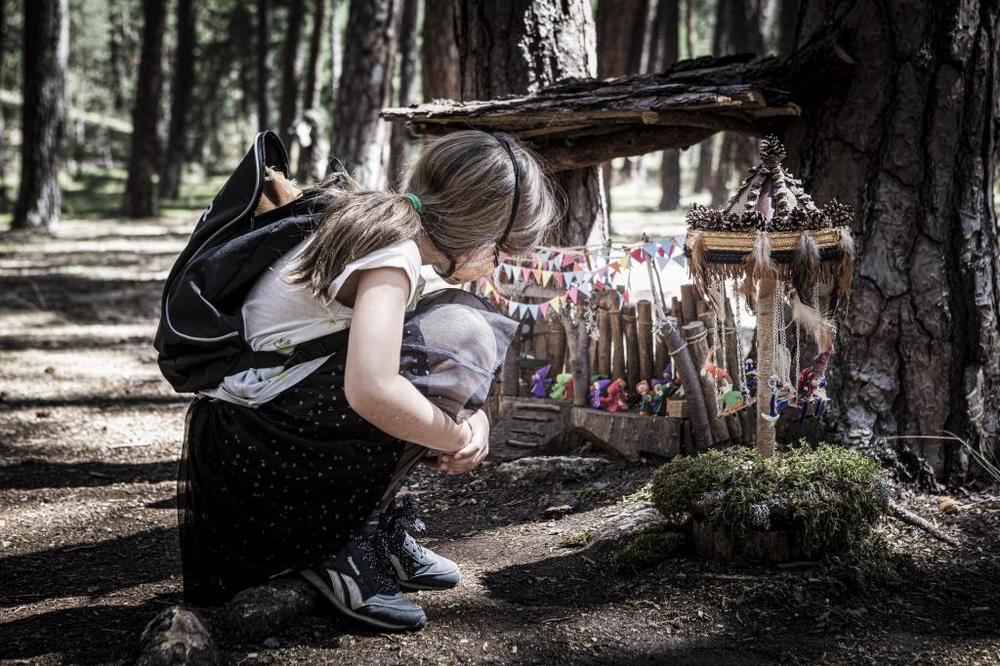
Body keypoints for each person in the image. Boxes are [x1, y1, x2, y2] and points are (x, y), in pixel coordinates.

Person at [178, 130, 560, 632]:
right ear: (477, 233)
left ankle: (370, 524)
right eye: (501, 250)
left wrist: (474, 415)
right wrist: (457, 434)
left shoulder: (385, 227)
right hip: (256, 454)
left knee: (449, 331)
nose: (497, 264)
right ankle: (335, 543)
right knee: (463, 328)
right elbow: (374, 388)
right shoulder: (392, 255)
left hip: (251, 436)